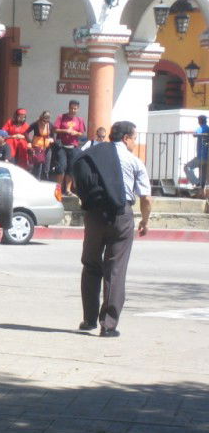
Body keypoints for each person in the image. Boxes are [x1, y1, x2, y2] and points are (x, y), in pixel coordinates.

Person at [79, 120, 152, 338]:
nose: (135, 142)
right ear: (126, 138)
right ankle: (108, 325)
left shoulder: (94, 153)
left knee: (91, 264)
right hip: (121, 215)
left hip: (94, 215)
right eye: (134, 138)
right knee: (115, 270)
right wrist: (145, 220)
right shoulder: (134, 161)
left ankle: (89, 319)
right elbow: (146, 198)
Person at [53, 100, 87, 194]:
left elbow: (81, 132)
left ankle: (68, 190)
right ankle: (58, 189)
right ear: (68, 107)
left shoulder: (79, 120)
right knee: (61, 167)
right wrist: (65, 131)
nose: (73, 110)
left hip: (74, 147)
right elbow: (55, 130)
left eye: (75, 108)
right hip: (62, 146)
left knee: (71, 168)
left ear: (78, 109)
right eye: (71, 108)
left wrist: (76, 133)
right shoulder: (61, 117)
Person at [183, 115, 209, 196]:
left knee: (187, 167)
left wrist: (184, 132)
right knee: (203, 178)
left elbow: (195, 133)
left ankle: (196, 183)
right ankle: (201, 192)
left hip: (201, 157)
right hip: (206, 158)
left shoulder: (203, 127)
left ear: (200, 121)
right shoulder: (207, 128)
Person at [26, 111, 55, 180]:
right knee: (38, 166)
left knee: (46, 167)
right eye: (43, 121)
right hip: (37, 147)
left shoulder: (50, 125)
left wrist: (52, 139)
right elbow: (26, 132)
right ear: (41, 118)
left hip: (47, 148)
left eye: (46, 121)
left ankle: (45, 181)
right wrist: (29, 142)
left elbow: (53, 136)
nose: (44, 123)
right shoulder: (36, 124)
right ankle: (36, 180)